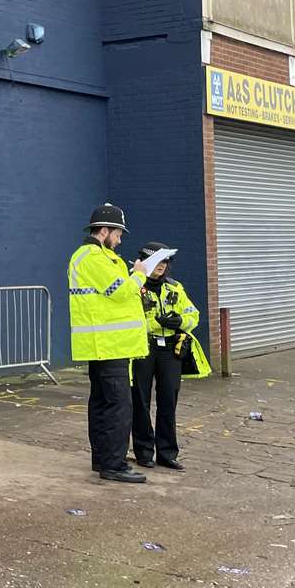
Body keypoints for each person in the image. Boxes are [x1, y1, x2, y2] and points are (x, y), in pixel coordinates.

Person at [68, 202, 150, 483]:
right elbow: (120, 292)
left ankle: (103, 459)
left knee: (102, 404)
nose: (121, 238)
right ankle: (113, 464)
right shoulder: (93, 258)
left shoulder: (94, 257)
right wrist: (139, 272)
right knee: (118, 406)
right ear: (104, 231)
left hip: (104, 344)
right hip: (109, 345)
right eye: (118, 233)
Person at [132, 242, 210, 472]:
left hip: (170, 349)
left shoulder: (175, 287)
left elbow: (192, 315)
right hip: (143, 346)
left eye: (165, 262)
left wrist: (179, 322)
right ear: (147, 262)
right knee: (140, 401)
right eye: (158, 261)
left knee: (169, 400)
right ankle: (144, 452)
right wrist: (152, 323)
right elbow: (128, 318)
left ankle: (167, 453)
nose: (162, 266)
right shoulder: (134, 286)